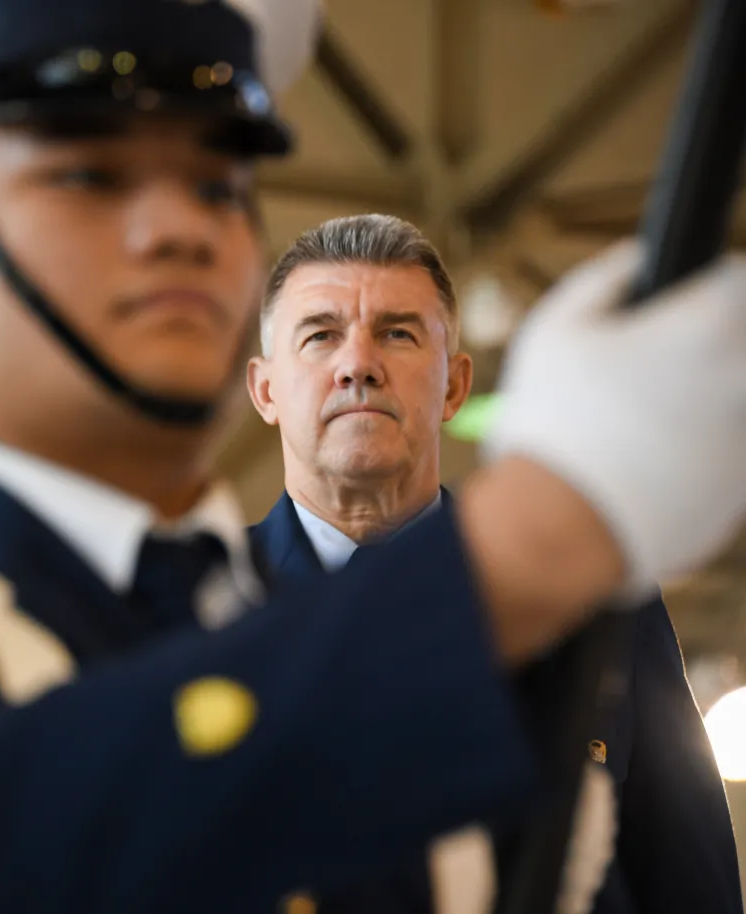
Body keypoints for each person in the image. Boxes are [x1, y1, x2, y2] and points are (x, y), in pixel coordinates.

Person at [0, 1, 746, 912]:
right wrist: (537, 533)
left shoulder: (279, 638)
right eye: (87, 171)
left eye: (216, 178)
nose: (182, 219)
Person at [246, 213, 743, 913]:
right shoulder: (195, 614)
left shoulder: (600, 600)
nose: (357, 363)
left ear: (454, 385)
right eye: (320, 335)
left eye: (397, 333)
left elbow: (692, 882)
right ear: (265, 389)